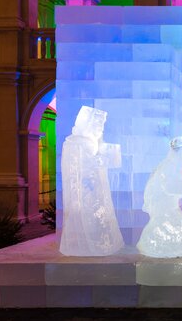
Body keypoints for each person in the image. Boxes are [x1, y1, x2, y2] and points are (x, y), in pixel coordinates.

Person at [59, 106, 123, 256]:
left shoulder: (87, 141)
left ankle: (98, 243)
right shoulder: (77, 142)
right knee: (89, 218)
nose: (100, 129)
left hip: (92, 187)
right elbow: (87, 164)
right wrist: (109, 157)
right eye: (97, 125)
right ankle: (90, 245)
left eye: (101, 126)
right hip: (85, 190)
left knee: (96, 219)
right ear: (87, 124)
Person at [137, 136, 182, 258]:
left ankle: (160, 246)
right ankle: (154, 246)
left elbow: (173, 189)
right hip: (163, 208)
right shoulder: (171, 166)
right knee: (169, 228)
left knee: (181, 230)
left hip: (169, 207)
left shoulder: (176, 166)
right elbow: (170, 187)